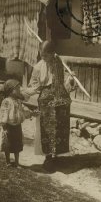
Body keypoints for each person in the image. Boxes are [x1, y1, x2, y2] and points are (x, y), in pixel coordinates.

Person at [25, 41, 75, 169]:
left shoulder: (60, 63)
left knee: (60, 127)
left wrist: (70, 79)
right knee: (47, 129)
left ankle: (56, 155)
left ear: (52, 53)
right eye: (41, 55)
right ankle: (48, 156)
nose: (43, 58)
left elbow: (66, 84)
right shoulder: (38, 67)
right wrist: (32, 90)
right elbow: (33, 84)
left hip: (61, 99)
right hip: (46, 101)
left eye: (46, 55)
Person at [0, 79, 35, 168]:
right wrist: (3, 124)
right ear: (10, 91)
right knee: (7, 144)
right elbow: (4, 113)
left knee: (17, 144)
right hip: (8, 126)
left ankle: (17, 162)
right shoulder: (7, 101)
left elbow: (21, 112)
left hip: (17, 126)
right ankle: (8, 161)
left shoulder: (18, 101)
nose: (19, 90)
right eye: (17, 89)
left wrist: (30, 114)